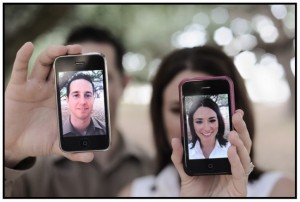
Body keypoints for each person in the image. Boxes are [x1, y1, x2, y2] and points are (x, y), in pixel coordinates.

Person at [119, 45, 295, 197]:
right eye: (176, 110)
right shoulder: (134, 194)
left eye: (212, 118)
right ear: (159, 117)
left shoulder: (281, 191)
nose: (198, 126)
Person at [5, 25, 154, 197]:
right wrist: (9, 152)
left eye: (103, 77)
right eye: (75, 88)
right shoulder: (28, 166)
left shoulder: (150, 168)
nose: (83, 101)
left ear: (124, 84)